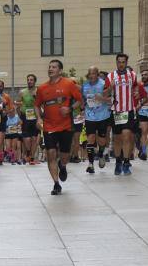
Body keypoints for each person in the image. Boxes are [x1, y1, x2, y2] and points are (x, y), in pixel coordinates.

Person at [35, 60, 83, 195]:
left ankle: (63, 165)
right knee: (50, 154)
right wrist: (39, 118)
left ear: (60, 70)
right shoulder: (42, 88)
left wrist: (69, 108)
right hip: (49, 126)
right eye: (49, 67)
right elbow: (37, 105)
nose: (50, 69)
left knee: (65, 155)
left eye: (54, 67)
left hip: (66, 126)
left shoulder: (68, 84)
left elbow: (80, 100)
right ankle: (56, 184)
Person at [104, 53, 139, 176]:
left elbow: (136, 88)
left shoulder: (133, 75)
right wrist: (110, 88)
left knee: (126, 135)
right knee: (117, 138)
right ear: (116, 62)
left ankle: (126, 162)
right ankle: (118, 161)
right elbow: (105, 94)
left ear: (126, 62)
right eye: (119, 62)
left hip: (128, 110)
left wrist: (136, 93)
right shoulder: (110, 76)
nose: (121, 64)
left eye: (123, 62)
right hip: (116, 111)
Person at [82, 66, 111, 174]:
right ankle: (90, 164)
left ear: (97, 74)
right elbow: (83, 100)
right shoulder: (84, 85)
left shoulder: (103, 84)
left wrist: (102, 98)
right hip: (90, 116)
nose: (91, 76)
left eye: (94, 73)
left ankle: (101, 153)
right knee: (90, 139)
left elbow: (110, 100)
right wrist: (81, 108)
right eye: (90, 73)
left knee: (102, 140)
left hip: (103, 116)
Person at [19, 74, 40, 165]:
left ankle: (32, 157)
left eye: (31, 80)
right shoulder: (22, 92)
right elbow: (18, 104)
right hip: (25, 116)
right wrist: (20, 116)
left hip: (35, 116)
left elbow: (41, 103)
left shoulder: (38, 91)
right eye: (28, 80)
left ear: (35, 81)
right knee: (26, 138)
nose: (29, 81)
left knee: (34, 138)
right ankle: (28, 151)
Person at [0, 80, 13, 163]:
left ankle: (0, 155)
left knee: (0, 141)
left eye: (0, 86)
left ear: (3, 87)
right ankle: (0, 155)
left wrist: (6, 112)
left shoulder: (6, 96)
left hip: (2, 119)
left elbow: (11, 108)